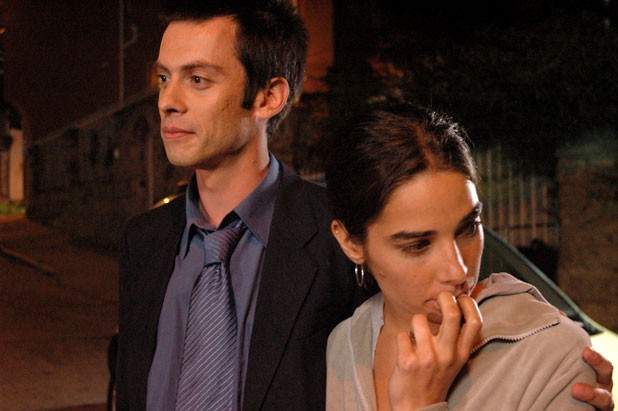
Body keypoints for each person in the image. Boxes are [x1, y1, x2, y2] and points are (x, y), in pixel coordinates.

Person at [115, 1, 615, 410]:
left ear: (268, 97)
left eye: (198, 80)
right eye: (164, 79)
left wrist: (555, 363)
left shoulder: (348, 225)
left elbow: (463, 305)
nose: (168, 101)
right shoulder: (144, 241)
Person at [324, 101, 613, 411]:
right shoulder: (343, 344)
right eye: (418, 245)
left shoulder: (553, 352)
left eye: (469, 227)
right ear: (351, 244)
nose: (458, 271)